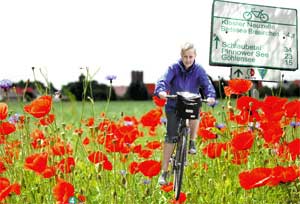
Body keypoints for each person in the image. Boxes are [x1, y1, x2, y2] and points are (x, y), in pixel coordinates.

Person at [154, 42, 216, 185]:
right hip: (174, 104)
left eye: (190, 56)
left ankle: (192, 141)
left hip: (190, 102)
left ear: (195, 56)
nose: (188, 60)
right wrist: (161, 91)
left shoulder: (199, 70)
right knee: (171, 137)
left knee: (196, 110)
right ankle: (164, 172)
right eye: (185, 57)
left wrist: (211, 96)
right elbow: (163, 80)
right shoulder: (174, 68)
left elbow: (207, 85)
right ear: (181, 56)